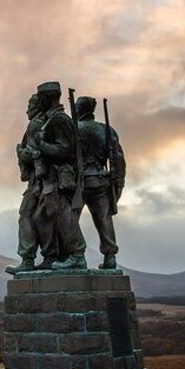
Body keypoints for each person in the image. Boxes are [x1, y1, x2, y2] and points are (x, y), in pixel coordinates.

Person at [33, 81, 87, 270]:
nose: (38, 102)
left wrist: (42, 145)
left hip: (59, 178)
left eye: (40, 98)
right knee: (41, 217)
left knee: (64, 215)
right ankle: (50, 256)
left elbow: (65, 150)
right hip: (49, 178)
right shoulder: (51, 119)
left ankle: (77, 254)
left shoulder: (59, 120)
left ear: (47, 98)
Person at [6, 94, 56, 274]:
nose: (27, 110)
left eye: (30, 106)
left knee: (26, 216)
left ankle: (28, 259)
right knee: (43, 219)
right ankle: (49, 257)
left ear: (38, 106)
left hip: (39, 181)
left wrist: (21, 153)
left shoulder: (35, 125)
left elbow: (36, 152)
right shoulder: (48, 122)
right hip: (45, 181)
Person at [74, 96, 126, 269]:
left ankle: (76, 254)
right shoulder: (106, 130)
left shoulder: (74, 129)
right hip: (101, 180)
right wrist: (119, 183)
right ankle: (110, 256)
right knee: (104, 220)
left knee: (71, 219)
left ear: (80, 109)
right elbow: (118, 158)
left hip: (79, 182)